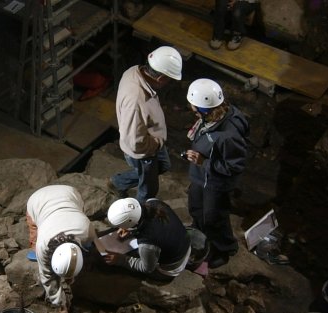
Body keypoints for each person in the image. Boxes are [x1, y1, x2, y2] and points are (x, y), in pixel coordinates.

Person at [183, 78, 249, 269]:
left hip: (215, 182)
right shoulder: (213, 118)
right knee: (196, 208)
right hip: (200, 176)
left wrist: (204, 162)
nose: (192, 109)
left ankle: (224, 248)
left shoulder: (228, 135)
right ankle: (200, 232)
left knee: (214, 218)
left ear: (204, 109)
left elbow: (234, 166)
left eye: (194, 107)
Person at [111, 46, 183, 202]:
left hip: (152, 140)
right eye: (169, 79)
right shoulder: (136, 100)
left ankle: (119, 182)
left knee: (163, 166)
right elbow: (135, 142)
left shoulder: (134, 72)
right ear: (161, 78)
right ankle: (141, 218)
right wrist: (155, 146)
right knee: (148, 189)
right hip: (144, 151)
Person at [26, 185, 92, 313]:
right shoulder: (42, 246)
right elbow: (48, 279)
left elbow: (92, 241)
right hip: (38, 201)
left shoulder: (85, 228)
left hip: (70, 194)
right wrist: (61, 305)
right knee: (34, 237)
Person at [101, 197, 191, 278]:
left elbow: (147, 268)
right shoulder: (153, 202)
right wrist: (131, 230)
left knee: (131, 264)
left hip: (173, 266)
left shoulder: (147, 245)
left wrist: (120, 260)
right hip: (184, 244)